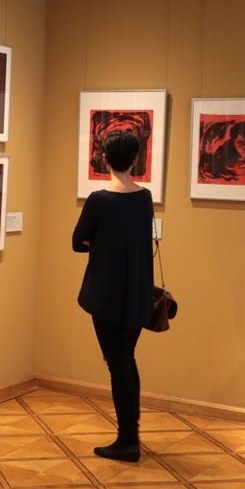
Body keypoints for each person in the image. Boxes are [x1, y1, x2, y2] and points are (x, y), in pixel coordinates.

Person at [72, 130, 155, 463]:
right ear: (135, 160)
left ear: (105, 159)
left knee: (118, 364)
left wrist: (98, 242)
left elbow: (78, 242)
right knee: (126, 360)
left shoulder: (99, 200)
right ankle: (130, 435)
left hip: (106, 295)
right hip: (137, 294)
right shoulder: (144, 197)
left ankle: (128, 441)